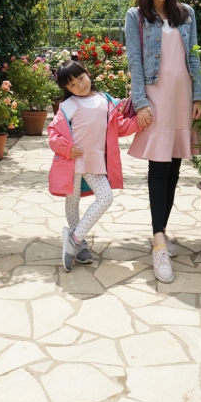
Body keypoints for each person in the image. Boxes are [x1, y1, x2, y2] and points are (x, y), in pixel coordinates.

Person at [125, 0, 201, 284]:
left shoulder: (186, 14)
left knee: (173, 168)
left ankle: (162, 230)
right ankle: (158, 243)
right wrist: (141, 102)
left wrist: (199, 95)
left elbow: (194, 57)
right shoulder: (136, 16)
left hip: (182, 97)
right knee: (158, 169)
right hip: (155, 99)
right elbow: (134, 62)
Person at [49, 60, 139, 272]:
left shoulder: (104, 100)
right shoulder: (69, 105)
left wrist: (138, 123)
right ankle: (79, 246)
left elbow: (118, 126)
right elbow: (53, 133)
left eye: (81, 78)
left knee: (105, 198)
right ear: (67, 88)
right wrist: (66, 149)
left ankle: (74, 238)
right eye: (72, 84)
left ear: (87, 73)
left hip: (94, 162)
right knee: (73, 202)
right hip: (73, 163)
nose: (80, 86)